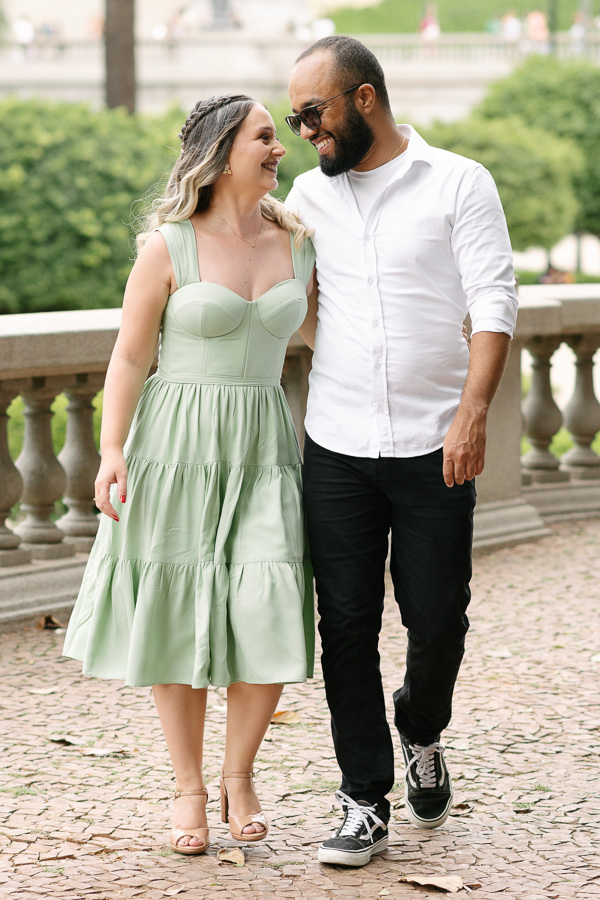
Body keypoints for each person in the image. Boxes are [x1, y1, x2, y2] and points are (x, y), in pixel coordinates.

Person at [285, 36, 518, 867]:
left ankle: (421, 727)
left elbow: (494, 299)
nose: (303, 131)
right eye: (294, 118)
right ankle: (363, 797)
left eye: (312, 113)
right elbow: (299, 303)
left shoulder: (458, 181)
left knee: (436, 621)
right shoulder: (308, 197)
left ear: (365, 100)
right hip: (337, 446)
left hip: (434, 444)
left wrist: (473, 411)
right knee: (342, 625)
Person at [63, 94, 316, 855]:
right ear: (223, 150)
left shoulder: (298, 242)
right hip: (172, 442)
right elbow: (131, 354)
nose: (281, 147)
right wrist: (111, 451)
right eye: (266, 136)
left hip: (263, 444)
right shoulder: (168, 246)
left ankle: (240, 775)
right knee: (175, 609)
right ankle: (186, 784)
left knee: (268, 600)